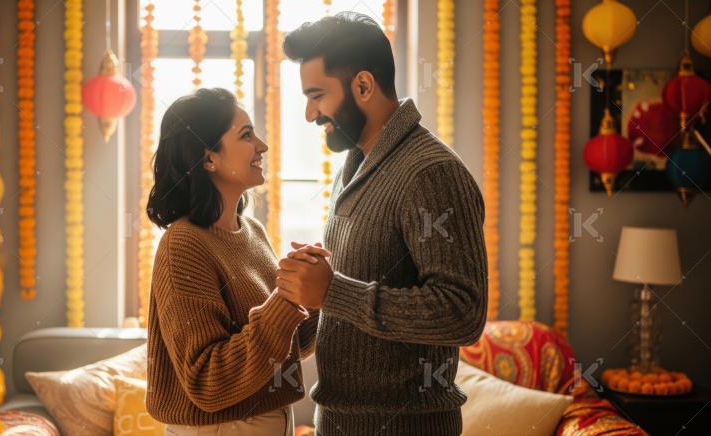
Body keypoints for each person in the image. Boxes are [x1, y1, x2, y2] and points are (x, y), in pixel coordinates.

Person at [275, 12, 489, 435]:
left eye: (317, 95)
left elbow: (463, 313)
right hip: (337, 423)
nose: (309, 114)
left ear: (364, 86)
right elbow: (353, 296)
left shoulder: (431, 173)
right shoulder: (354, 166)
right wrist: (311, 285)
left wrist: (334, 290)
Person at [145, 87, 323, 436]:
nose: (262, 145)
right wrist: (285, 300)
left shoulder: (251, 231)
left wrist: (311, 291)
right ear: (208, 158)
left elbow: (289, 348)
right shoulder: (183, 244)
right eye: (246, 135)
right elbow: (207, 381)